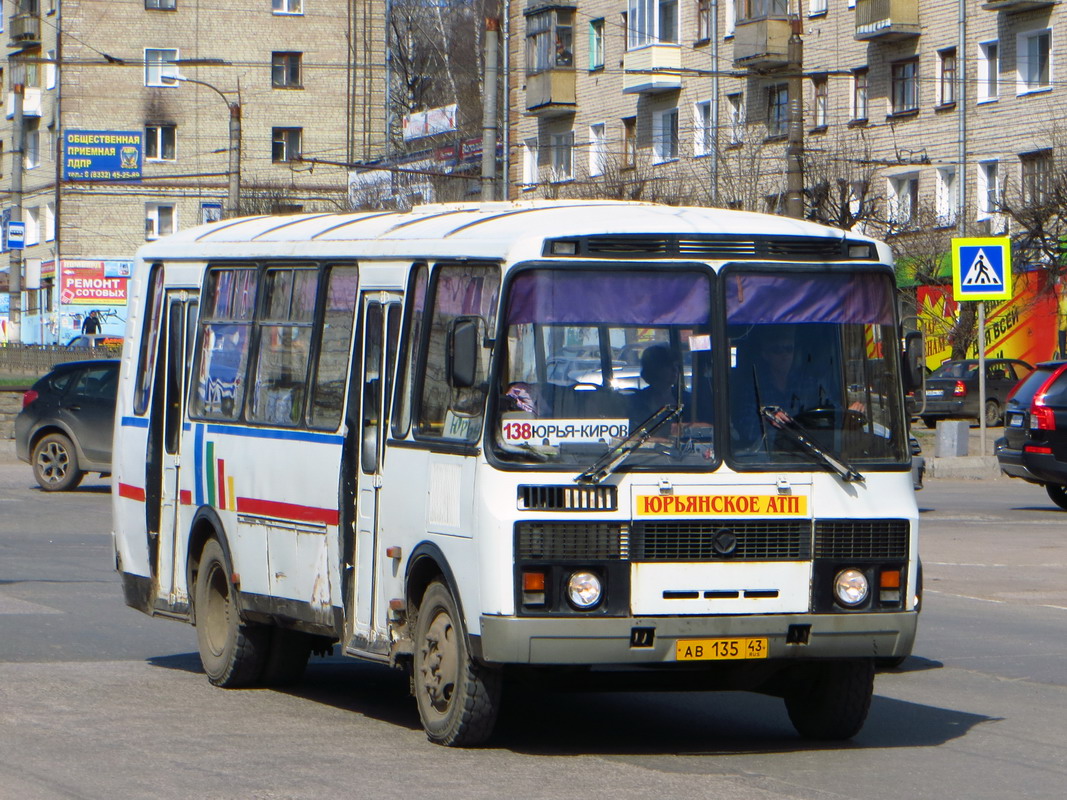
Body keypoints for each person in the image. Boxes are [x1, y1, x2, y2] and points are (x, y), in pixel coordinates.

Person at [628, 344, 689, 430]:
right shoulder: (636, 402)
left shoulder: (687, 399)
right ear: (653, 369)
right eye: (668, 365)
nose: (675, 370)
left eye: (676, 366)